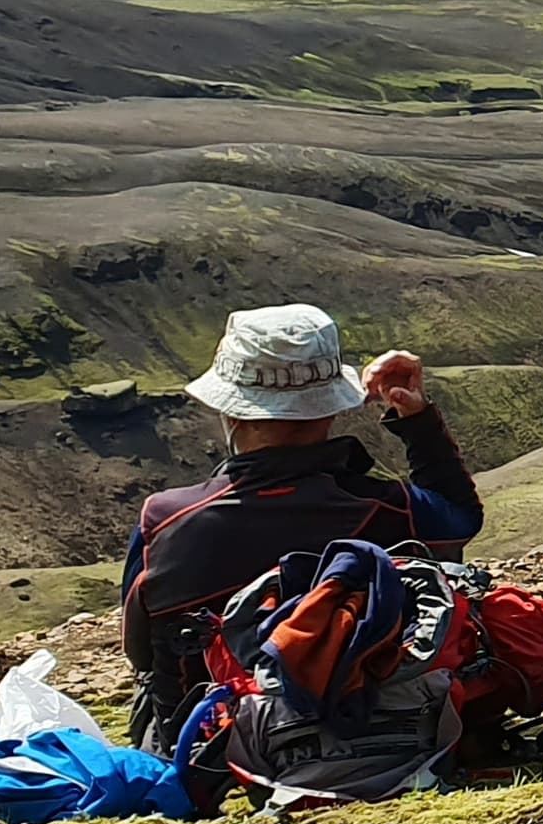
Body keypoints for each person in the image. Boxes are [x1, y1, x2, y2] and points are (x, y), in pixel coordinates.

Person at [121, 303, 478, 752]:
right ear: (331, 409)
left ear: (230, 411)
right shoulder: (386, 508)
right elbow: (460, 518)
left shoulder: (164, 520)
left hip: (212, 751)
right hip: (375, 731)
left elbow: (141, 652)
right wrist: (417, 419)